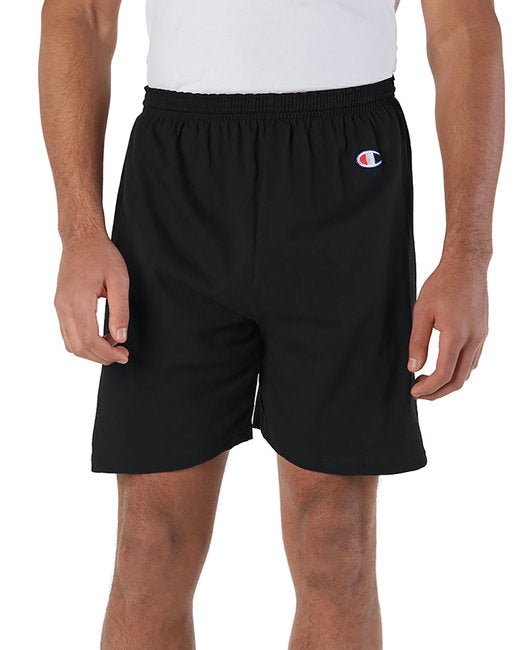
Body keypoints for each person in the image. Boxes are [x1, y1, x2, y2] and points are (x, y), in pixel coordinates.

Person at [39, 0, 504, 647]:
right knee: (149, 547)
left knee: (334, 545)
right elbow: (80, 15)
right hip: (177, 176)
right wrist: (80, 231)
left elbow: (462, 28)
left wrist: (468, 255)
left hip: (347, 167)